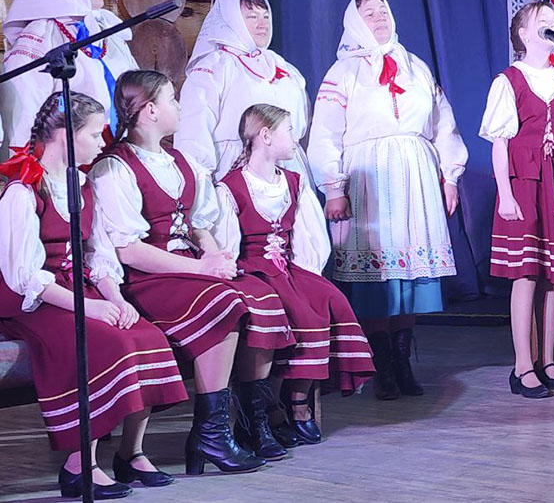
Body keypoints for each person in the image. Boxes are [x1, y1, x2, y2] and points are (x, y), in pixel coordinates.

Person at [89, 70, 290, 473]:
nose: (179, 106)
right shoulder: (114, 168)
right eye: (172, 99)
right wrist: (202, 268)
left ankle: (245, 423)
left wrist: (217, 260)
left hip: (188, 271)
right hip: (147, 278)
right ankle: (211, 432)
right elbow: (128, 250)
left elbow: (200, 226)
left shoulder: (180, 162)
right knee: (223, 302)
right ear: (150, 110)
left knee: (260, 294)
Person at [0, 92, 186, 499]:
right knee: (105, 342)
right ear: (66, 136)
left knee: (147, 336)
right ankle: (79, 465)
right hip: (35, 302)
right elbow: (25, 276)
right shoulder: (23, 191)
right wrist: (91, 309)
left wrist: (116, 300)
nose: (102, 143)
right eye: (93, 133)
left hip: (78, 290)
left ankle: (131, 452)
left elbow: (98, 255)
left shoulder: (83, 186)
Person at [308, 0, 468, 401]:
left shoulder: (415, 66)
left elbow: (443, 124)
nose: (379, 18)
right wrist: (334, 188)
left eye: (383, 11)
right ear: (355, 22)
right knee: (377, 276)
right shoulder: (343, 73)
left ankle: (402, 361)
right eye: (369, 13)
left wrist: (449, 175)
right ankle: (381, 365)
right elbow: (325, 132)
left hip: (415, 177)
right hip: (369, 178)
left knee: (408, 272)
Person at [214, 103, 375, 446]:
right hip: (251, 271)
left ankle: (297, 399)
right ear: (265, 136)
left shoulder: (293, 182)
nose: (295, 138)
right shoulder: (231, 186)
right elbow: (227, 244)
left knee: (326, 297)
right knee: (293, 308)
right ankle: (266, 409)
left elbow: (307, 237)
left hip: (288, 266)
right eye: (288, 131)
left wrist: (303, 274)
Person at [480, 0, 554, 399]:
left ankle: (548, 361)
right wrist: (505, 195)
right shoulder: (509, 81)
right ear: (524, 34)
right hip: (524, 183)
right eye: (541, 20)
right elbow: (499, 143)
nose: (551, 23)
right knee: (526, 273)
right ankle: (523, 365)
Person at [1, 0, 137, 154]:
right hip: (68, 158)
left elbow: (135, 87)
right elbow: (24, 115)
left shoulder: (107, 31)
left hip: (119, 153)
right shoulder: (40, 39)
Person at [175, 0, 312, 180]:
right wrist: (199, 179)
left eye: (265, 16)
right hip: (235, 171)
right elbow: (193, 128)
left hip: (289, 172)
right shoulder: (214, 67)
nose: (262, 24)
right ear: (233, 20)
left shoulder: (284, 67)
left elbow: (304, 125)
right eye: (252, 17)